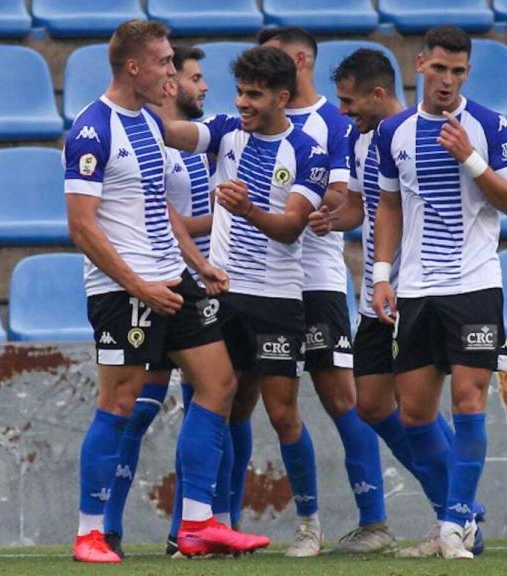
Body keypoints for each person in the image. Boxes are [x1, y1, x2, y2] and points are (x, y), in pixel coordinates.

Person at [64, 21, 269, 563]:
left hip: (171, 280)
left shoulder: (152, 127)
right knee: (120, 402)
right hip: (122, 287)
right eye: (164, 65)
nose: (173, 76)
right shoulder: (92, 129)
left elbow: (163, 209)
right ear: (134, 68)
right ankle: (90, 533)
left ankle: (198, 524)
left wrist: (197, 264)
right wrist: (139, 285)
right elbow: (82, 227)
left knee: (219, 383)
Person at [316, 47, 487, 557]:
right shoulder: (363, 137)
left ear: (377, 92)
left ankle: (455, 514)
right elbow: (365, 209)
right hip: (377, 293)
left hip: (421, 291)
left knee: (419, 407)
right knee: (372, 404)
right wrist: (331, 217)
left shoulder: (418, 134)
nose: (343, 111)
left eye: (349, 101)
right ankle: (459, 509)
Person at [162, 45, 331, 558]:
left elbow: (290, 229)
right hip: (224, 293)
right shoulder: (225, 131)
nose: (243, 103)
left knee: (282, 415)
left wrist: (248, 208)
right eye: (239, 92)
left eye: (254, 95)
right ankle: (206, 525)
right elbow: (173, 132)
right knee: (220, 402)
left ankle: (308, 523)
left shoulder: (308, 150)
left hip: (277, 300)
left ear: (282, 97)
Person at [371, 25, 507, 560]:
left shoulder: (487, 125)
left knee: (467, 402)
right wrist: (381, 274)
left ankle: (457, 523)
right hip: (415, 290)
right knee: (413, 414)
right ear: (420, 66)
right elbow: (388, 206)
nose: (447, 80)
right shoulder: (393, 131)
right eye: (439, 68)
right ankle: (453, 519)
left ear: (467, 73)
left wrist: (471, 158)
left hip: (474, 286)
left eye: (458, 71)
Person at [247, 26, 394, 556]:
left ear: (302, 59)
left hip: (317, 279)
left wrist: (331, 211)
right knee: (269, 406)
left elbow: (344, 199)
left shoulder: (335, 121)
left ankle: (374, 521)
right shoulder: (253, 116)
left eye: (276, 58)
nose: (267, 70)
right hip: (260, 283)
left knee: (341, 398)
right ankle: (303, 525)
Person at [98, 43, 230, 558]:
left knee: (219, 392)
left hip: (191, 280)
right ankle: (106, 524)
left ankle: (198, 525)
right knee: (136, 406)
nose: (200, 85)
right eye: (191, 76)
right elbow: (161, 217)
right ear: (169, 84)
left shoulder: (200, 140)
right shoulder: (148, 138)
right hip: (156, 280)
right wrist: (220, 222)